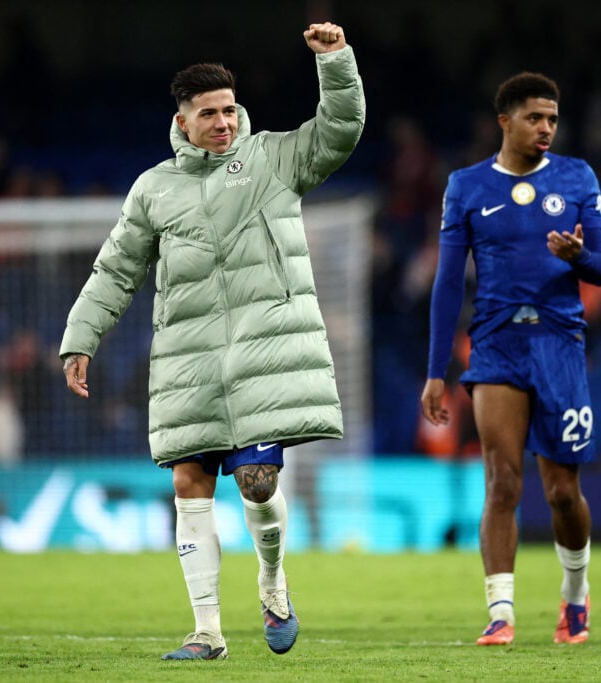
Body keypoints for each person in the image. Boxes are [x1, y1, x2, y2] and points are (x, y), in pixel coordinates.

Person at [59, 22, 364, 661]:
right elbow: (117, 269)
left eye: (230, 110)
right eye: (209, 113)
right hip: (189, 361)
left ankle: (273, 585)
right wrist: (80, 337)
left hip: (262, 353)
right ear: (183, 120)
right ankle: (207, 632)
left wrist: (334, 60)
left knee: (255, 481)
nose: (224, 122)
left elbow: (339, 130)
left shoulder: (273, 159)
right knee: (190, 485)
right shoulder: (154, 189)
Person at [421, 72, 601, 646]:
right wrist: (436, 372)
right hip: (497, 346)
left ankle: (574, 597)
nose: (547, 128)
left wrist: (579, 256)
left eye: (553, 119)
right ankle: (500, 613)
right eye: (535, 118)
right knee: (502, 482)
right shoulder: (467, 186)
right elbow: (448, 283)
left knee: (560, 491)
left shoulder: (578, 177)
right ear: (505, 121)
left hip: (559, 345)